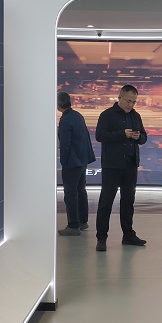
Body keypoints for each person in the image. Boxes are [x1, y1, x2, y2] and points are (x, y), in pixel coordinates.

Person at [94, 85, 148, 251]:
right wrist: (122, 134)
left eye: (134, 102)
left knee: (128, 202)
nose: (130, 105)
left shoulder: (136, 116)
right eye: (128, 101)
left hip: (130, 165)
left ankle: (128, 235)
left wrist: (139, 137)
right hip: (112, 166)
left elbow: (144, 137)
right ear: (119, 97)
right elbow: (100, 135)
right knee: (106, 201)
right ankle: (101, 238)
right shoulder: (107, 115)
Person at [56, 91, 96, 236]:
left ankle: (73, 225)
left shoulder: (65, 120)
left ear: (58, 105)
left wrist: (64, 161)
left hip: (72, 162)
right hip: (82, 159)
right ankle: (82, 221)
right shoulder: (77, 115)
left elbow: (65, 144)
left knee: (70, 193)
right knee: (80, 191)